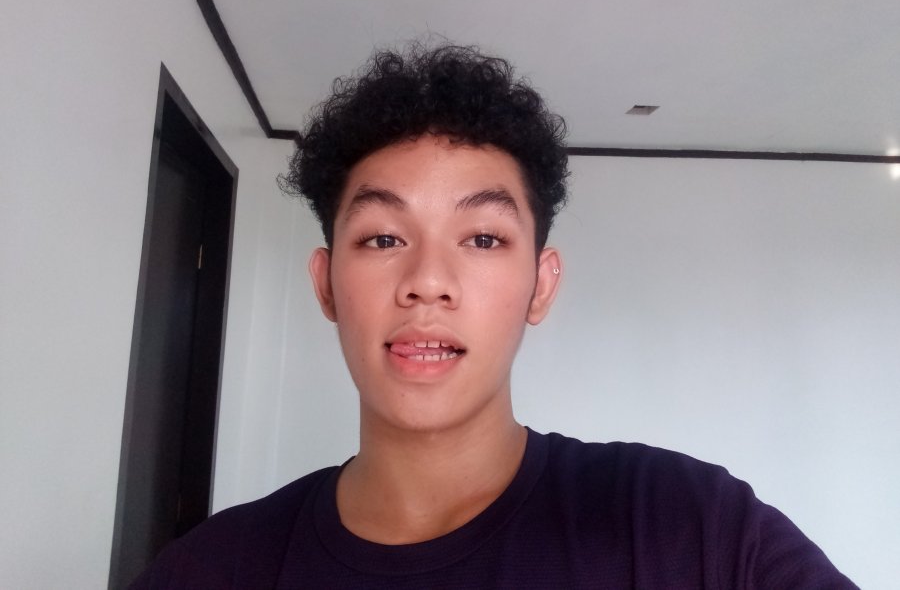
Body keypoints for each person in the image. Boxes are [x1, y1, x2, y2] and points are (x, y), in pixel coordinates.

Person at [133, 43, 856, 588]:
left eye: (482, 239)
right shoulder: (210, 570)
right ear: (326, 284)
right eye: (383, 238)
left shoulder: (687, 526)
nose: (427, 282)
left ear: (541, 285)